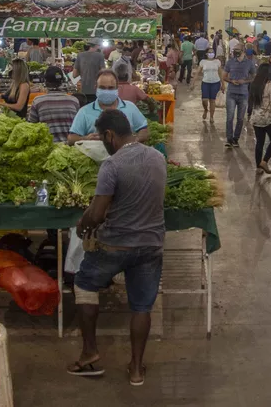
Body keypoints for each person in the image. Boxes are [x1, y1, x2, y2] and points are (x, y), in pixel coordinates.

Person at [68, 109, 166, 386]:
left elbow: (97, 215)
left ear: (110, 135)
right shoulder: (157, 156)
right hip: (151, 244)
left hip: (115, 245)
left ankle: (89, 353)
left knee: (85, 284)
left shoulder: (111, 165)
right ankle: (136, 369)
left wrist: (82, 224)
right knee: (141, 306)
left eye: (101, 138)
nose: (102, 143)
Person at [68, 70, 149, 145]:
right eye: (102, 88)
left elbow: (144, 130)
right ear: (96, 88)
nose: (106, 91)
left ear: (117, 88)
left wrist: (134, 141)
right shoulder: (84, 112)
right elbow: (71, 138)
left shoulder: (130, 107)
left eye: (110, 88)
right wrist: (85, 138)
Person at [28, 66, 80, 144]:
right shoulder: (74, 101)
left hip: (47, 148)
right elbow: (78, 128)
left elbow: (31, 127)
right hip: (69, 149)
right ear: (62, 82)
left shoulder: (38, 101)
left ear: (45, 82)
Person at [249, 63, 271, 175]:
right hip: (268, 119)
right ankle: (265, 161)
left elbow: (251, 102)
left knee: (259, 142)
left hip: (256, 118)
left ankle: (258, 167)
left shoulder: (254, 84)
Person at [222, 43, 256, 148]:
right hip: (231, 93)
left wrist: (245, 81)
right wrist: (231, 81)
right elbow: (224, 76)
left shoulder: (249, 63)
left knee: (240, 118)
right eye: (234, 49)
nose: (235, 51)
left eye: (237, 49)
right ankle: (229, 139)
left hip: (243, 94)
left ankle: (236, 139)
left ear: (243, 51)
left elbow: (254, 77)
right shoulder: (230, 62)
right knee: (230, 117)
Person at [198, 48, 223, 122]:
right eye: (209, 52)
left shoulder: (217, 62)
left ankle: (211, 117)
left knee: (212, 100)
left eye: (212, 52)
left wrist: (223, 84)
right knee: (204, 100)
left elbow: (220, 73)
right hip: (205, 82)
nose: (211, 54)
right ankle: (206, 109)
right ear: (206, 54)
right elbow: (197, 72)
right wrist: (193, 82)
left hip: (215, 83)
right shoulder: (203, 62)